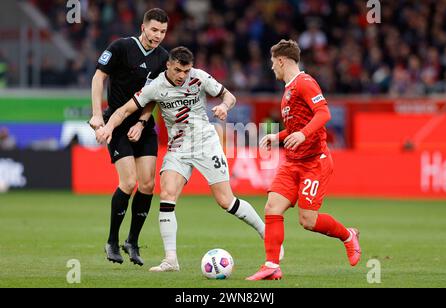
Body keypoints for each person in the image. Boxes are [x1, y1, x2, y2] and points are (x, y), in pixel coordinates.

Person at [96, 46, 283, 272]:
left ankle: (267, 234)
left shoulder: (199, 77)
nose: (182, 76)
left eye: (186, 71)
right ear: (168, 65)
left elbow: (229, 96)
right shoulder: (155, 86)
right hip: (178, 147)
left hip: (206, 143)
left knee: (226, 201)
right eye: (177, 71)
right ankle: (171, 260)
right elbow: (124, 110)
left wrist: (224, 106)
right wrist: (108, 128)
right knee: (166, 194)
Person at [246, 40, 361, 281]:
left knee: (307, 220)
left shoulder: (305, 83)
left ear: (281, 60)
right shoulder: (288, 89)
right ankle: (272, 265)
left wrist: (302, 134)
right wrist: (277, 137)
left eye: (272, 63)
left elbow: (324, 113)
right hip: (292, 162)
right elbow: (297, 127)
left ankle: (348, 236)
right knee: (272, 207)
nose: (271, 68)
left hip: (314, 162)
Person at [89, 8, 169, 266]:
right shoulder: (121, 47)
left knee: (147, 185)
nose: (158, 36)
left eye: (163, 32)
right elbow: (98, 77)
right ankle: (112, 240)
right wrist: (96, 116)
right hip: (117, 123)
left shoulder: (163, 58)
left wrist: (144, 121)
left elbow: (154, 96)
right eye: (154, 30)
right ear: (143, 27)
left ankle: (132, 241)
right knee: (129, 181)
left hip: (143, 126)